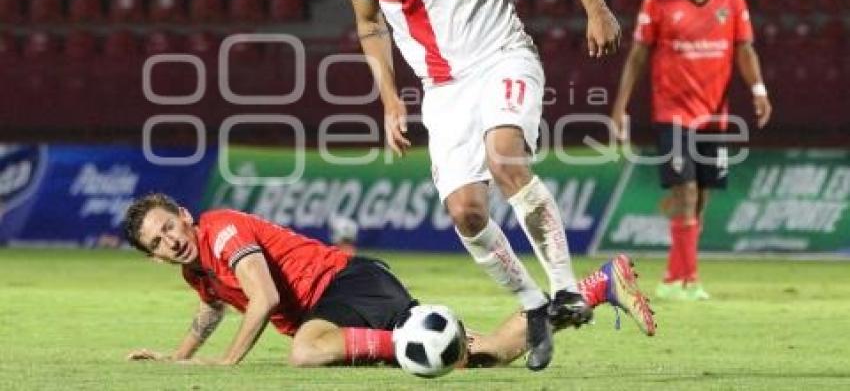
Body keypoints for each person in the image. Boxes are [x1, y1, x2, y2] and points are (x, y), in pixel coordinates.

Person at [333, 0, 621, 371]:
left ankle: (564, 290)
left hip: (503, 58)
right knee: (466, 212)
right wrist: (390, 98)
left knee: (505, 158)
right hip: (444, 90)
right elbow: (369, 24)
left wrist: (596, 8)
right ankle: (534, 306)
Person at [123, 194, 655, 369]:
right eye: (157, 242)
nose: (169, 241)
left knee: (307, 351)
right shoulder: (198, 268)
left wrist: (223, 366)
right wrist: (177, 358)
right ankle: (596, 285)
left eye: (168, 227)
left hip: (348, 285)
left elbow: (262, 298)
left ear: (185, 215)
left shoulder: (221, 233)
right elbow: (212, 309)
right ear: (153, 256)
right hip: (344, 301)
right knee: (482, 355)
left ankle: (416, 340)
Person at [611, 0, 772, 301]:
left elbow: (744, 49)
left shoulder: (731, 1)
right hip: (673, 113)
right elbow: (637, 55)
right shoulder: (658, 1)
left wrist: (759, 90)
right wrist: (620, 105)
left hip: (715, 116)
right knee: (685, 191)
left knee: (701, 197)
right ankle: (689, 280)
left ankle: (672, 277)